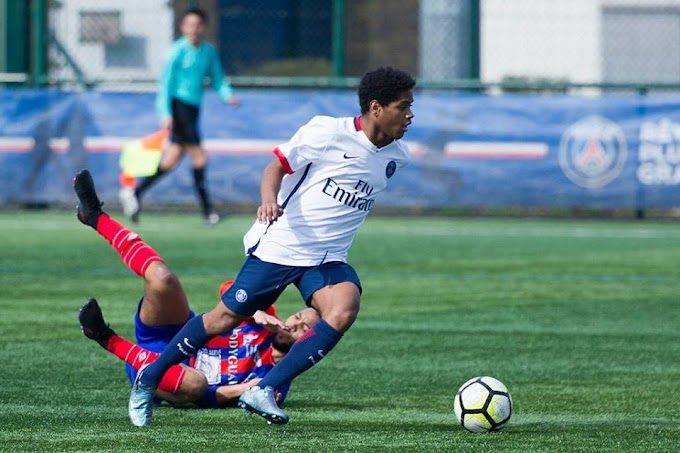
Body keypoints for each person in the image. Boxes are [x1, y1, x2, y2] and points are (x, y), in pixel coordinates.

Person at [127, 66, 416, 427]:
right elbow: (274, 168)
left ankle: (263, 390)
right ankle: (150, 378)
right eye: (403, 106)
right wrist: (268, 202)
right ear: (376, 107)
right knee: (222, 319)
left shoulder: (397, 156)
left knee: (342, 311)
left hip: (327, 258)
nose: (410, 114)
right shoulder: (327, 132)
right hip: (283, 245)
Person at [74, 169, 320, 407]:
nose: (294, 324)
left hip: (170, 376)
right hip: (171, 333)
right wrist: (254, 312)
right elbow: (229, 289)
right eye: (298, 317)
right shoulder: (266, 320)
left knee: (196, 383)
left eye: (304, 329)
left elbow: (206, 398)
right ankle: (96, 216)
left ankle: (104, 337)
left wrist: (241, 390)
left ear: (310, 344)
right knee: (162, 279)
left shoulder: (275, 383)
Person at [120, 6, 239, 225]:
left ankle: (134, 193)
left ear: (203, 27)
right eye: (190, 25)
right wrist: (165, 113)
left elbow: (218, 79)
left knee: (171, 161)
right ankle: (209, 212)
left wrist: (228, 96)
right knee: (199, 158)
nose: (194, 29)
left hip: (193, 110)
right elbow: (165, 85)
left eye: (198, 25)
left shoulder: (208, 52)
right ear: (183, 27)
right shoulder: (177, 51)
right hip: (179, 108)